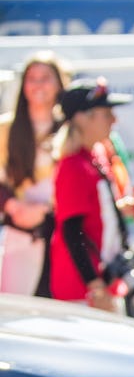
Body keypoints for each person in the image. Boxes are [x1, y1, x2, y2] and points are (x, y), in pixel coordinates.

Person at [49, 78, 134, 312]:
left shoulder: (95, 157)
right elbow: (72, 231)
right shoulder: (73, 166)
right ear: (82, 118)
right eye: (106, 113)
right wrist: (94, 285)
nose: (114, 120)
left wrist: (122, 208)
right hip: (83, 293)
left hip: (103, 284)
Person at [0, 52, 66, 296]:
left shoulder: (70, 129)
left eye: (45, 78)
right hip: (20, 233)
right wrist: (14, 208)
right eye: (32, 78)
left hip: (62, 234)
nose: (38, 85)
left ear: (59, 83)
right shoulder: (6, 129)